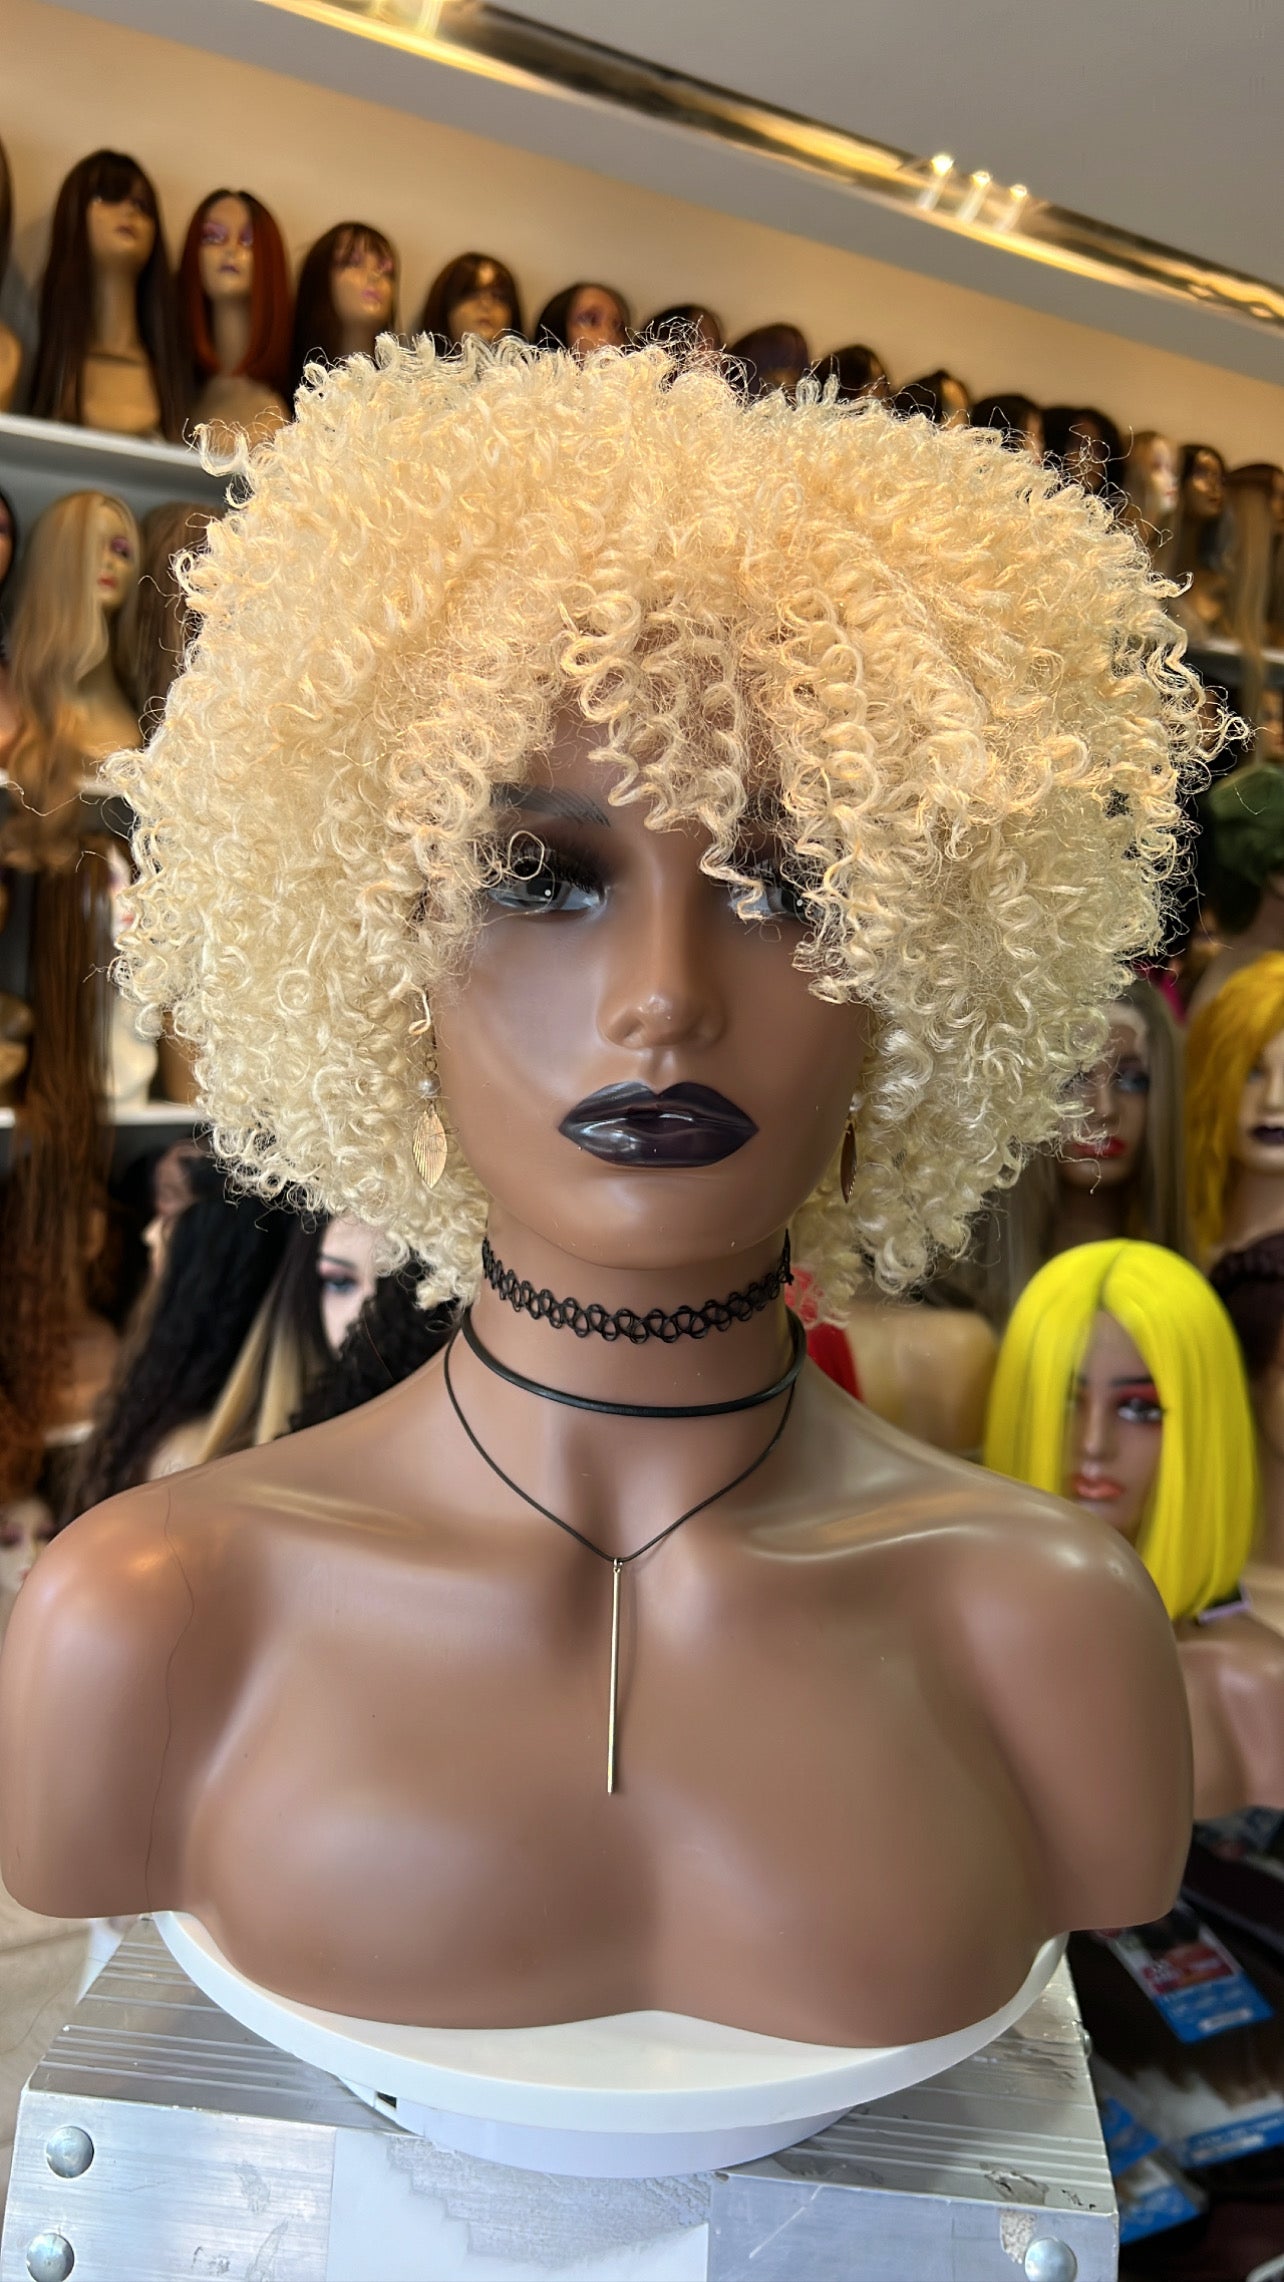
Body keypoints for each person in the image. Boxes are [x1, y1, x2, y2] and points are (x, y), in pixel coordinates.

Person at [0, 340, 1197, 2049]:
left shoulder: (1047, 1623)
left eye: (782, 882)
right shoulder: (152, 1614)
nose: (662, 998)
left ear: (920, 965)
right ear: (373, 946)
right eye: (536, 873)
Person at [985, 1240, 1284, 1820]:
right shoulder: (957, 1658)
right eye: (1064, 1399)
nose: (1093, 1443)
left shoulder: (1252, 1684)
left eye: (1139, 1409)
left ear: (1201, 1422)